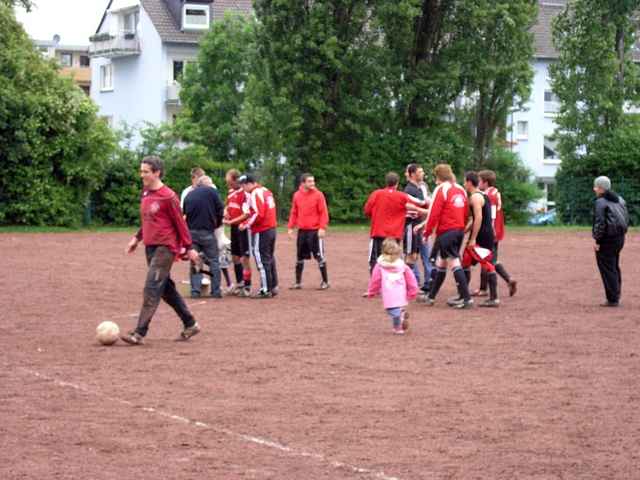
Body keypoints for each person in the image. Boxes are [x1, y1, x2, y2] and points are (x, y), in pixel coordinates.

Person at [121, 156, 201, 346]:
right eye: (141, 171)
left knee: (151, 287)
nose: (142, 175)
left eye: (146, 172)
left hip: (165, 247)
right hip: (150, 246)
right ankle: (191, 323)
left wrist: (189, 248)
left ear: (156, 172)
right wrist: (137, 238)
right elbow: (148, 219)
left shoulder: (168, 196)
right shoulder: (146, 193)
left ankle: (139, 333)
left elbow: (180, 224)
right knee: (165, 289)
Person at [420, 164, 473, 309]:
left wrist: (426, 232)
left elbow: (433, 213)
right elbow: (466, 212)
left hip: (446, 230)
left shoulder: (441, 189)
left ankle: (466, 298)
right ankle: (431, 297)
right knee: (441, 263)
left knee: (454, 262)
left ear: (438, 176)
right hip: (459, 230)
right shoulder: (461, 189)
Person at [364, 172, 428, 275]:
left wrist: (377, 215)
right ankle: (392, 282)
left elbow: (367, 210)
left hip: (378, 232)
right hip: (395, 234)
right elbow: (418, 204)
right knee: (393, 259)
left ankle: (376, 284)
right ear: (397, 183)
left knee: (375, 259)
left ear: (386, 182)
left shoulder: (376, 194)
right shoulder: (402, 196)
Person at [474, 170, 517, 297]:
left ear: (485, 182)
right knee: (488, 258)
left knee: (487, 259)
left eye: (479, 180)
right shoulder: (495, 192)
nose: (478, 183)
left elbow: (491, 215)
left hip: (490, 232)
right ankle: (483, 288)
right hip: (496, 231)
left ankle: (506, 280)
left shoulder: (489, 195)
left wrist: (489, 232)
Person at [460, 171, 499, 307]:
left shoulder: (476, 197)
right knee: (465, 261)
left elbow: (479, 218)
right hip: (484, 234)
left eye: (465, 181)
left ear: (470, 182)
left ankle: (494, 299)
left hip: (482, 235)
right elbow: (475, 219)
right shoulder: (482, 195)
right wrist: (464, 231)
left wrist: (473, 239)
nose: (464, 184)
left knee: (486, 263)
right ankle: (462, 295)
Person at [183, 175, 225, 298]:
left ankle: (195, 291)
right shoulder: (212, 192)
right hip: (207, 232)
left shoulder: (189, 194)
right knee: (214, 261)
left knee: (195, 260)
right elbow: (220, 209)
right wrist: (217, 224)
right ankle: (216, 291)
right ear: (208, 184)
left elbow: (185, 213)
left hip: (192, 232)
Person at [288, 173, 330, 290]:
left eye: (313, 181)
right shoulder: (296, 195)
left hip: (315, 231)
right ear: (303, 183)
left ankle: (325, 282)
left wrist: (322, 227)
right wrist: (291, 227)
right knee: (299, 257)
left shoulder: (318, 195)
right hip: (302, 231)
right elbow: (294, 212)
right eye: (310, 181)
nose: (313, 183)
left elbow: (323, 212)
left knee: (319, 256)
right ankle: (298, 283)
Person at [367, 238, 419, 335]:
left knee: (392, 310)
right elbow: (411, 278)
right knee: (397, 308)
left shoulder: (380, 265)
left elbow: (375, 280)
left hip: (389, 293)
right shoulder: (402, 265)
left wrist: (371, 291)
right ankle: (399, 320)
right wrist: (413, 290)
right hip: (401, 292)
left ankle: (399, 320)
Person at [239, 174, 279, 299]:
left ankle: (265, 289)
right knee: (269, 258)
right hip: (271, 229)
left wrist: (246, 224)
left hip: (262, 230)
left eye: (243, 185)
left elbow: (258, 214)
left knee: (261, 259)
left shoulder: (255, 193)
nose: (243, 188)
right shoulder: (266, 191)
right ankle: (273, 285)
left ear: (249, 183)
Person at [592, 176, 629, 307]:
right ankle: (616, 294)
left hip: (607, 240)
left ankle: (613, 299)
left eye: (596, 186)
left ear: (601, 188)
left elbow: (600, 224)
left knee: (607, 268)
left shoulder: (600, 202)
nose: (594, 189)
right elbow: (626, 218)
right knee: (614, 266)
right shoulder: (620, 199)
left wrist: (597, 240)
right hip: (619, 238)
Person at [223, 169, 252, 297]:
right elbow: (228, 205)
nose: (228, 185)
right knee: (235, 256)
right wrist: (226, 211)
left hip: (242, 227)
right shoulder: (231, 192)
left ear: (236, 180)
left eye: (230, 182)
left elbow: (247, 214)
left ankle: (247, 285)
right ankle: (239, 283)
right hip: (234, 227)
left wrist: (232, 221)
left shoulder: (244, 194)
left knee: (244, 257)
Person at [403, 164, 431, 285]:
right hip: (412, 226)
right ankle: (412, 282)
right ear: (413, 174)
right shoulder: (409, 190)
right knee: (411, 255)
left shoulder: (421, 187)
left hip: (421, 226)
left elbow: (425, 202)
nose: (423, 173)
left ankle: (426, 282)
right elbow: (418, 205)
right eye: (420, 172)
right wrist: (431, 210)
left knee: (424, 255)